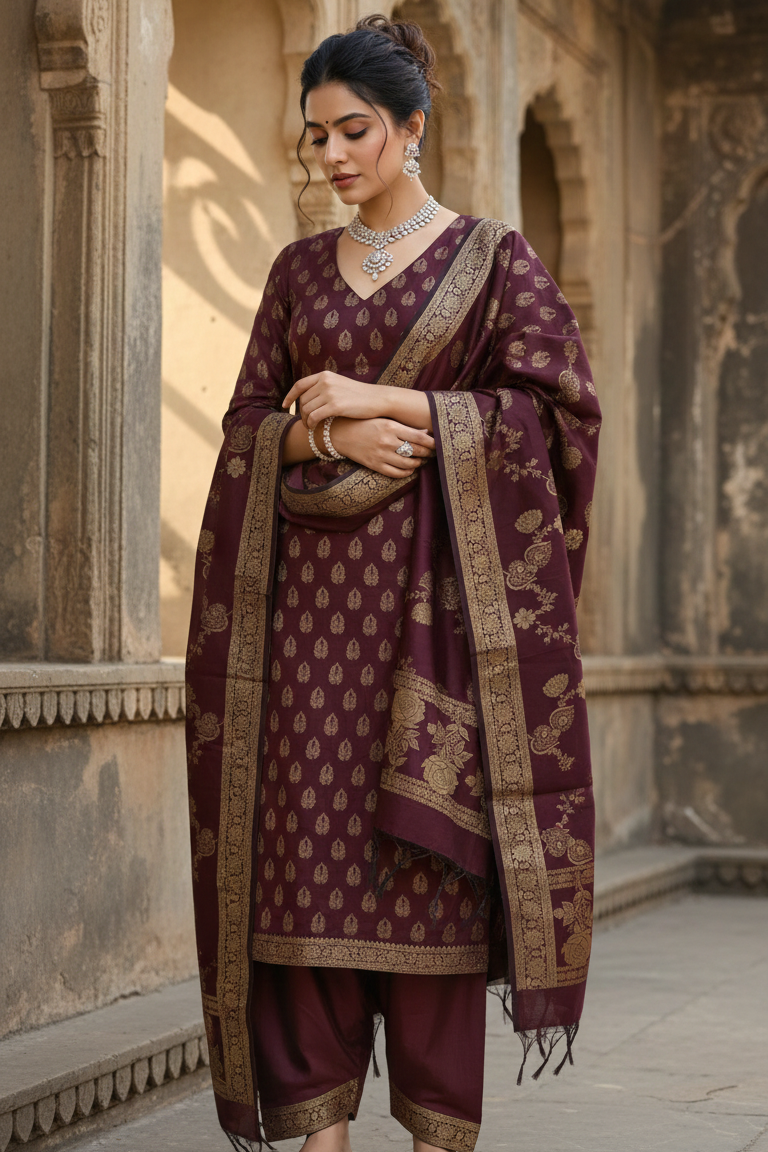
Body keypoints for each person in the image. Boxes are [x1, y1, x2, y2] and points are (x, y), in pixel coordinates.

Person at [186, 15, 601, 1152]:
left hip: (440, 650)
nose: (332, 156)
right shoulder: (295, 272)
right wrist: (324, 445)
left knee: (424, 902)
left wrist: (392, 406)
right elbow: (242, 431)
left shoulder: (493, 260)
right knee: (303, 907)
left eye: (355, 131)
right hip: (305, 646)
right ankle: (319, 1136)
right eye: (316, 134)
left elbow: (557, 418)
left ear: (411, 129)